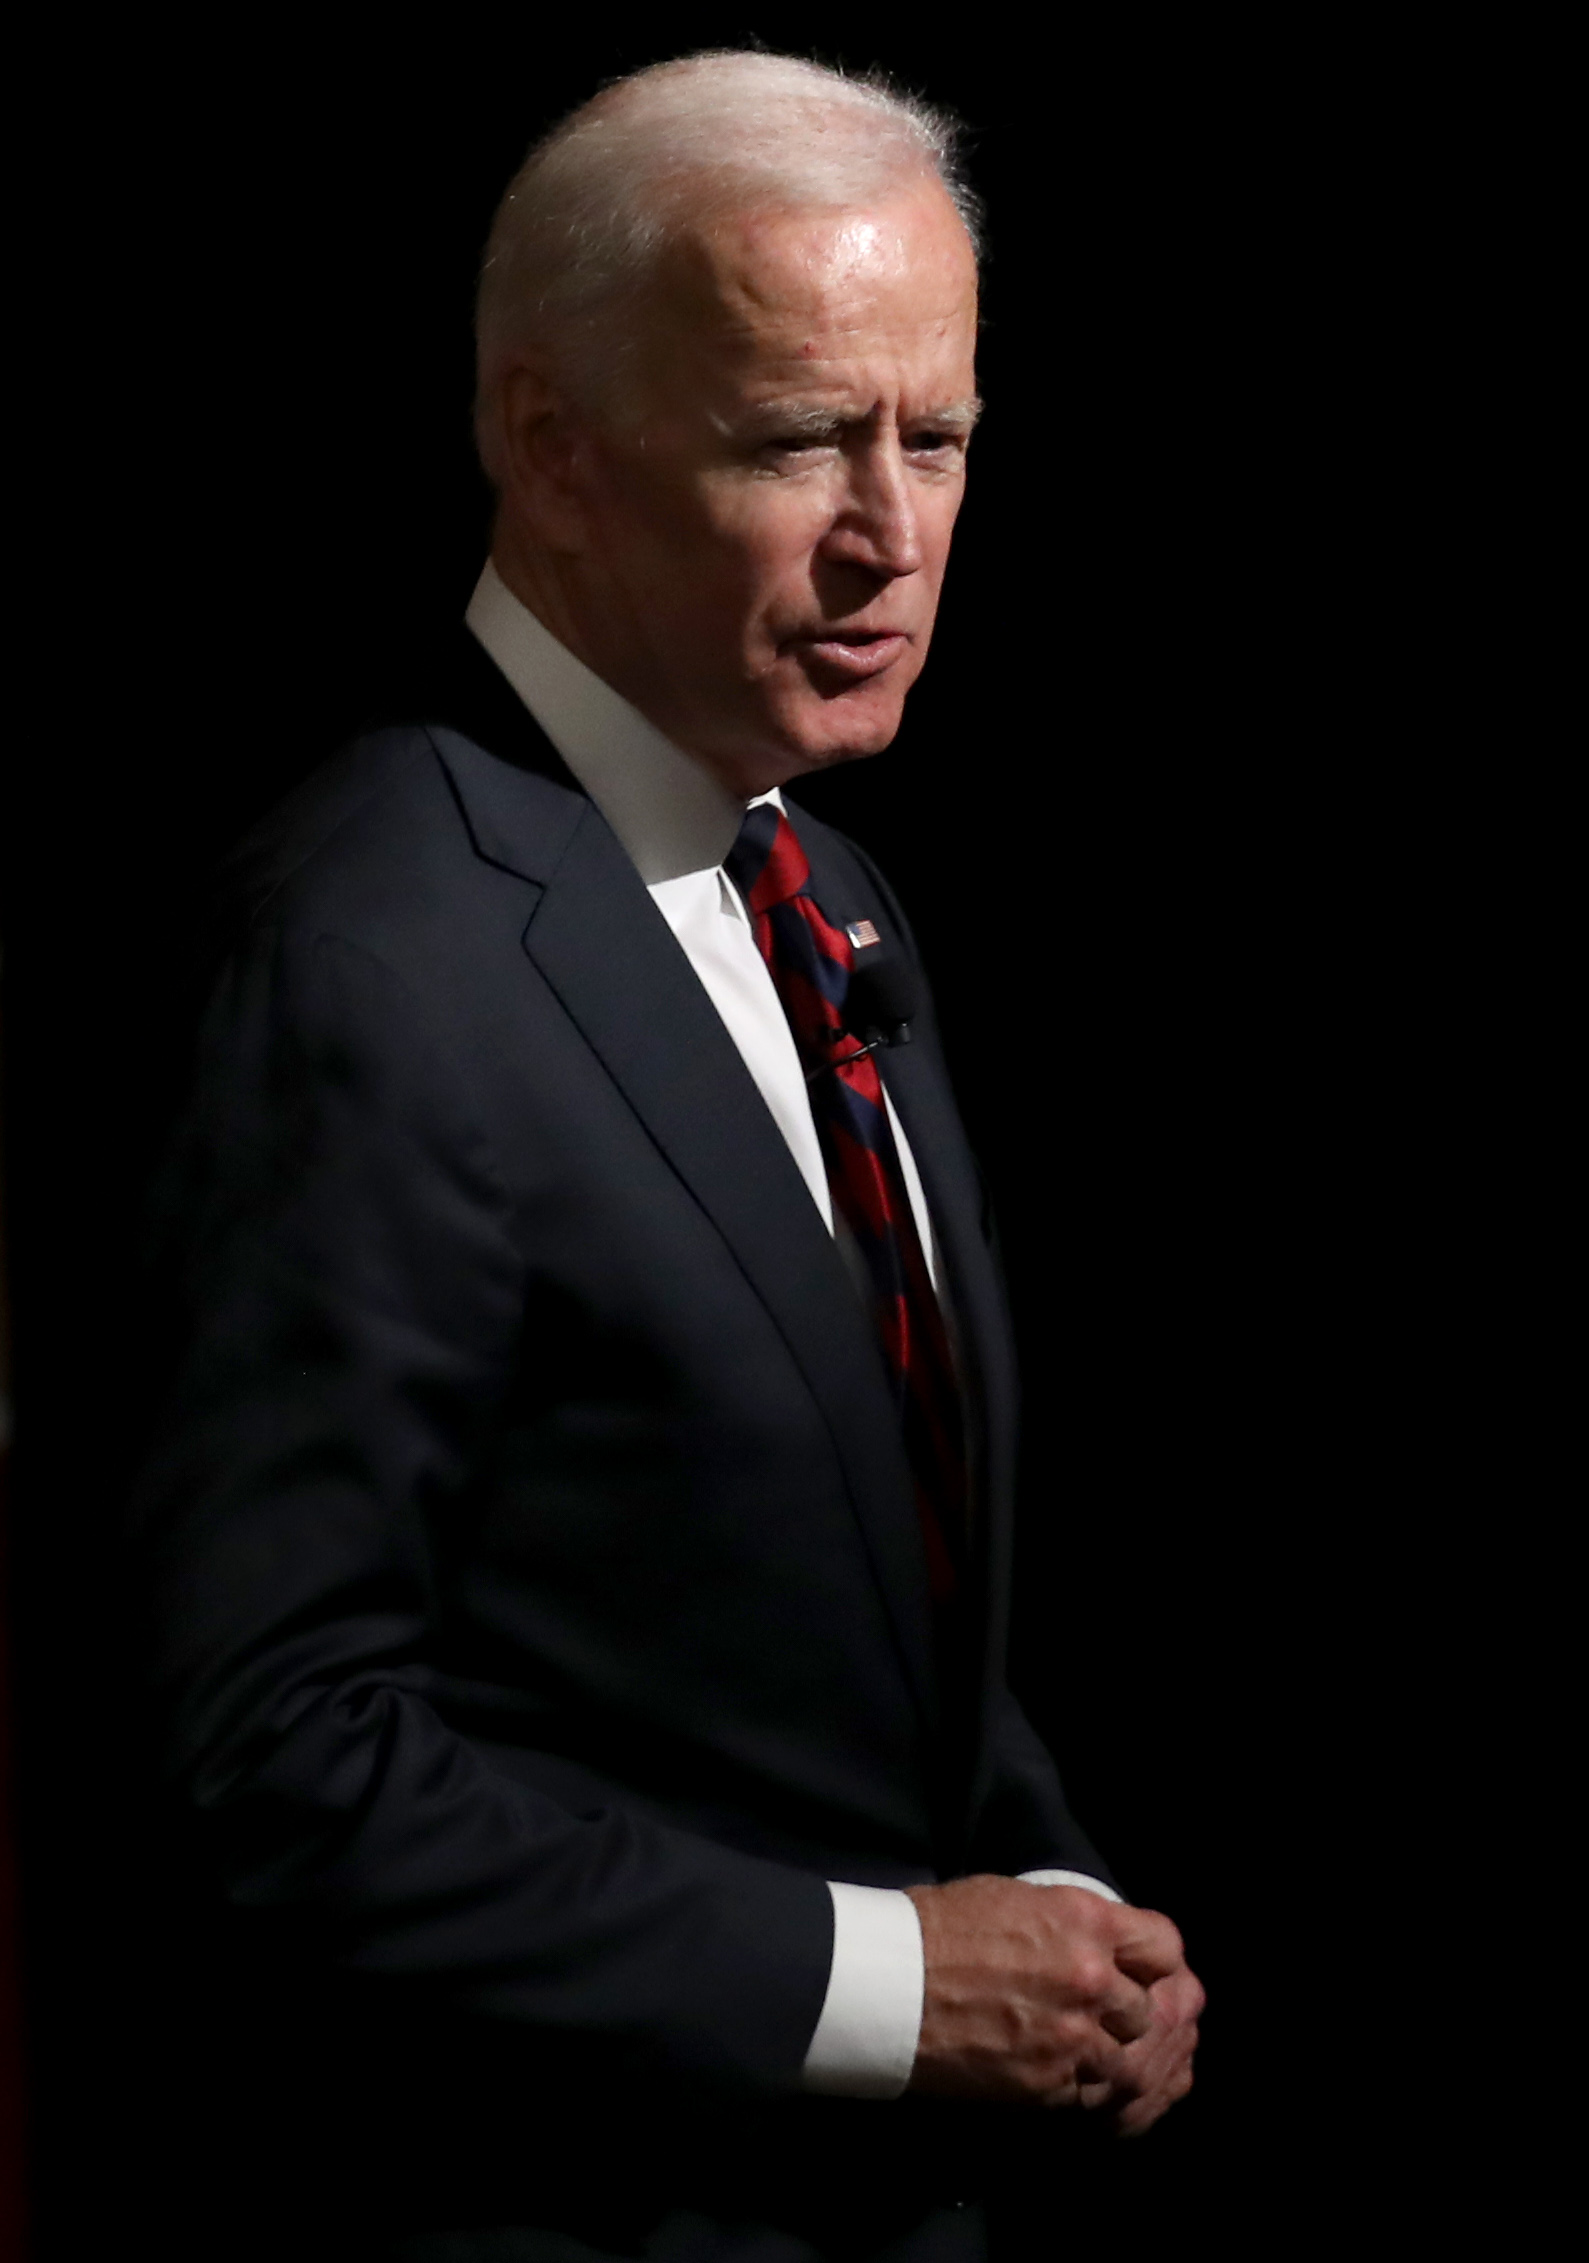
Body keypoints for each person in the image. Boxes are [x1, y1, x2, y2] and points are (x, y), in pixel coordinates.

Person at [129, 51, 1200, 2257]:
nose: (888, 534)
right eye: (799, 438)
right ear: (551, 446)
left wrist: (1058, 1907)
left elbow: (831, 1595)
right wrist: (898, 1984)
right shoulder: (365, 952)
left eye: (939, 439)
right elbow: (272, 1761)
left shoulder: (830, 889)